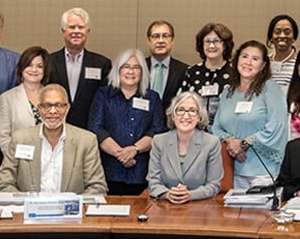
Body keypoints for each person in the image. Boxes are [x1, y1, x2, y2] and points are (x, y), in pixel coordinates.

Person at [0, 84, 108, 194]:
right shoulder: (20, 139)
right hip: (28, 211)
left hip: (69, 212)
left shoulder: (86, 141)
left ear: (67, 108)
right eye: (46, 106)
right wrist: (28, 203)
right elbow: (2, 184)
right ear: (39, 108)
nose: (52, 111)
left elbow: (97, 187)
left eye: (58, 105)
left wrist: (70, 206)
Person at [210, 41, 288, 190]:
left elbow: (277, 125)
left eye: (255, 59)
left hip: (263, 172)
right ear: (237, 59)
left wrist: (244, 144)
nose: (248, 62)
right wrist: (231, 141)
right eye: (244, 56)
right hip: (232, 171)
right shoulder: (228, 91)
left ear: (263, 65)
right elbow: (216, 127)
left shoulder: (270, 89)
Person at [89, 49, 165, 195]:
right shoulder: (103, 95)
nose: (131, 71)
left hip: (141, 170)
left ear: (142, 72)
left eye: (136, 67)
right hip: (109, 169)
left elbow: (157, 130)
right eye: (126, 66)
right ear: (118, 69)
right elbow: (96, 128)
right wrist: (122, 155)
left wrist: (134, 150)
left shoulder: (152, 97)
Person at [147, 91, 223, 203]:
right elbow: (153, 181)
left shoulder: (212, 142)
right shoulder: (159, 141)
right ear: (173, 115)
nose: (186, 116)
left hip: (200, 207)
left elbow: (214, 185)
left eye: (192, 111)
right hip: (165, 205)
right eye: (181, 110)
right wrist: (167, 194)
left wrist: (190, 195)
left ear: (199, 117)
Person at [48, 7, 112, 129]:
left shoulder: (102, 64)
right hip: (55, 128)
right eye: (72, 27)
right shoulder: (49, 62)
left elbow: (105, 103)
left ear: (88, 31)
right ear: (63, 31)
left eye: (81, 27)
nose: (76, 31)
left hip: (89, 130)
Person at [178, 23, 234, 128]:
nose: (211, 46)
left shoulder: (235, 72)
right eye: (207, 41)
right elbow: (180, 103)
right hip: (194, 132)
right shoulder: (192, 72)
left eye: (216, 41)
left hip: (225, 133)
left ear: (225, 45)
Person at [0, 46, 51, 152]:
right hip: (19, 162)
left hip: (50, 160)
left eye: (40, 66)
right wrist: (17, 160)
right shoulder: (7, 98)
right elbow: (4, 138)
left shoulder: (53, 96)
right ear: (22, 68)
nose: (34, 70)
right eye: (29, 65)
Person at [145, 20, 188, 111]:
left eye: (165, 36)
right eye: (155, 36)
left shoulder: (185, 71)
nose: (160, 41)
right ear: (148, 41)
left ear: (172, 40)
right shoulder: (139, 68)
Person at [267, 14, 300, 94]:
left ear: (294, 37)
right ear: (271, 36)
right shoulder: (264, 61)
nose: (282, 36)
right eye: (277, 32)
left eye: (287, 32)